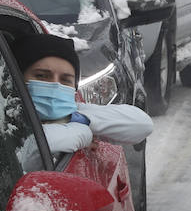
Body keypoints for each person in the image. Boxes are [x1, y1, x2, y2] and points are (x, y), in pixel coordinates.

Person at [9, 33, 153, 156]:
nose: (55, 86)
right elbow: (35, 148)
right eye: (41, 76)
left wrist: (78, 119)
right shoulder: (2, 121)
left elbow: (142, 125)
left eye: (65, 80)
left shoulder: (72, 112)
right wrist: (83, 133)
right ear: (17, 79)